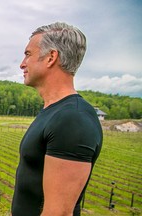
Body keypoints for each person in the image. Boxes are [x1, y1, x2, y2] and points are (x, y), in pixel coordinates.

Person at [11, 22, 103, 216]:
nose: (22, 63)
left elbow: (59, 213)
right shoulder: (54, 111)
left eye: (28, 54)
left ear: (51, 57)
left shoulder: (73, 119)